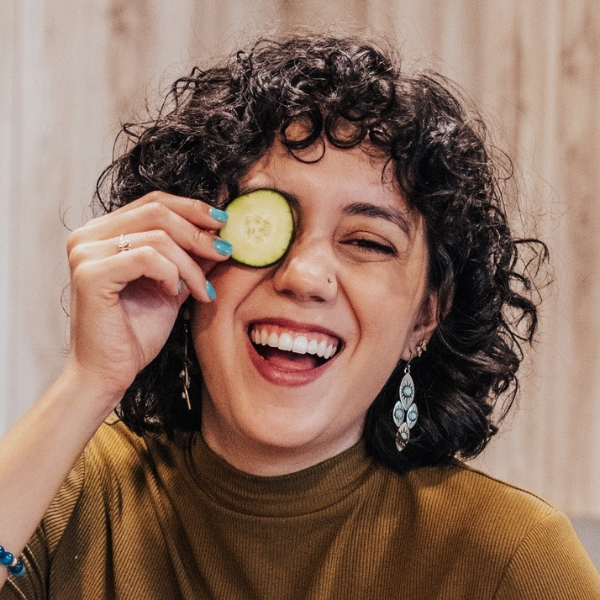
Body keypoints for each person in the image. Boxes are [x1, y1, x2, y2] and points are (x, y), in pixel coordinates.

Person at [0, 32, 599, 599]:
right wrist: (89, 381)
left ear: (424, 319)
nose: (305, 276)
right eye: (265, 224)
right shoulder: (61, 500)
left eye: (367, 241)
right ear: (185, 252)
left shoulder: (514, 560)